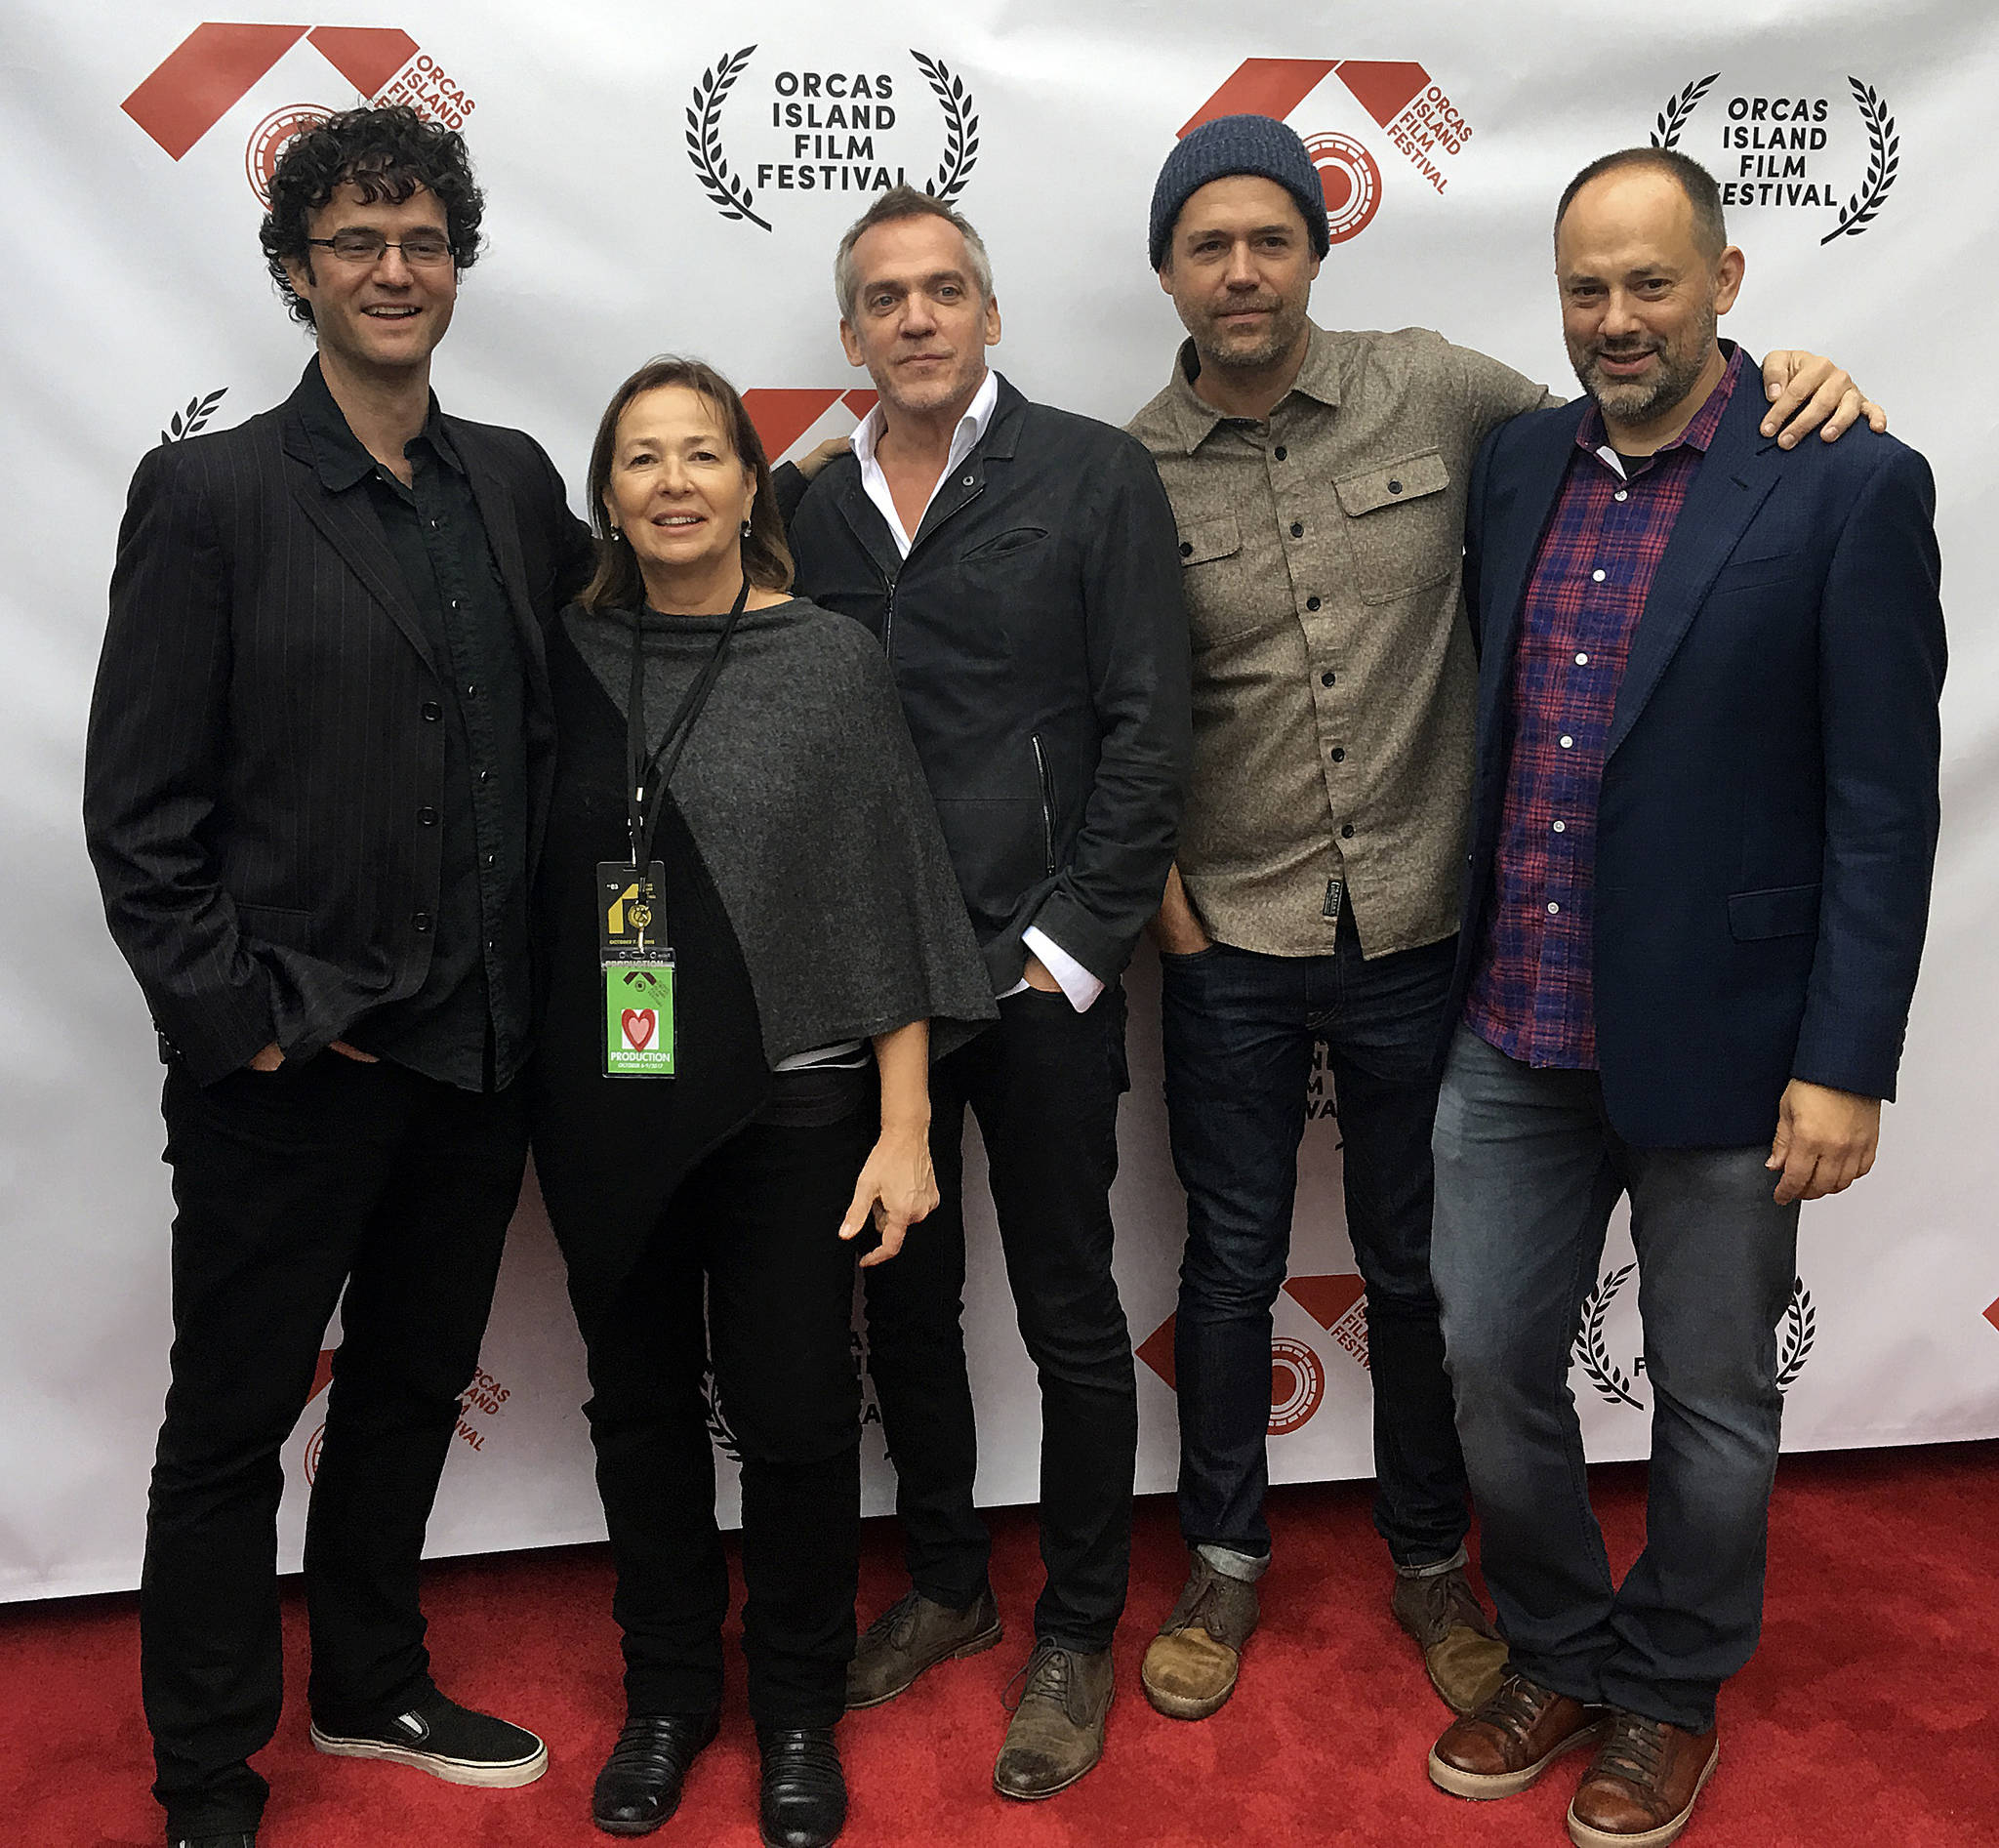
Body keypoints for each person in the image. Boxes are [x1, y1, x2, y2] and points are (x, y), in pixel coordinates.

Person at [1123, 113, 1884, 1728]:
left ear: (1320, 254)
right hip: (1268, 949)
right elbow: (1112, 698)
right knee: (1259, 1274)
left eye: (1272, 237)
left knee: (1456, 1303)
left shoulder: (1459, 398)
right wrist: (1169, 910)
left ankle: (1472, 1592)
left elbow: (1686, 442)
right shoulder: (1129, 464)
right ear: (1169, 274)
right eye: (1208, 244)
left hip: (1432, 939)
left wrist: (1800, 377)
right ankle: (1241, 1559)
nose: (1244, 269)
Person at [83, 106, 593, 1848]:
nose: (394, 269)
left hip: (481, 1061)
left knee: (401, 1390)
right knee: (229, 1423)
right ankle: (208, 1770)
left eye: (423, 240)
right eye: (357, 241)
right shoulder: (211, 494)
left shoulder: (518, 483)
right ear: (297, 270)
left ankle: (372, 1680)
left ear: (458, 267)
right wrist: (258, 1031)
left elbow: (604, 722)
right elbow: (140, 820)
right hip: (292, 1075)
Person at [1424, 149, 1942, 1848]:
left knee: (1713, 1394)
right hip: (1516, 1017)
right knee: (1494, 1355)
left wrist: (1846, 1061)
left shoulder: (1848, 483)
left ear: (1728, 282)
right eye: (1588, 287)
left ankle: (1670, 1688)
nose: (1617, 318)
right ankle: (1564, 1645)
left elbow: (1882, 797)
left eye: (1653, 282)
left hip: (1733, 1033)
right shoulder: (1513, 463)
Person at [530, 356, 996, 1848]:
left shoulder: (827, 659)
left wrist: (908, 1123)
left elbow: (893, 895)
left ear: (750, 482)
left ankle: (796, 1705)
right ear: (607, 493)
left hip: (799, 1112)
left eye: (702, 454)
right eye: (641, 458)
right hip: (613, 1108)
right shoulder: (565, 657)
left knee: (796, 1422)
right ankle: (668, 1693)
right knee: (641, 1414)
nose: (673, 481)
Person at [778, 185, 1190, 1799]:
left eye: (946, 289)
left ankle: (1077, 1625)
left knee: (1074, 1307)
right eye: (885, 298)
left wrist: (1069, 948)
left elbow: (1151, 735)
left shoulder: (1093, 475)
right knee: (905, 1297)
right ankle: (949, 1583)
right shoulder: (809, 512)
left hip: (1040, 976)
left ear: (991, 314)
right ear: (851, 333)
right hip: (882, 988)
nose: (918, 318)